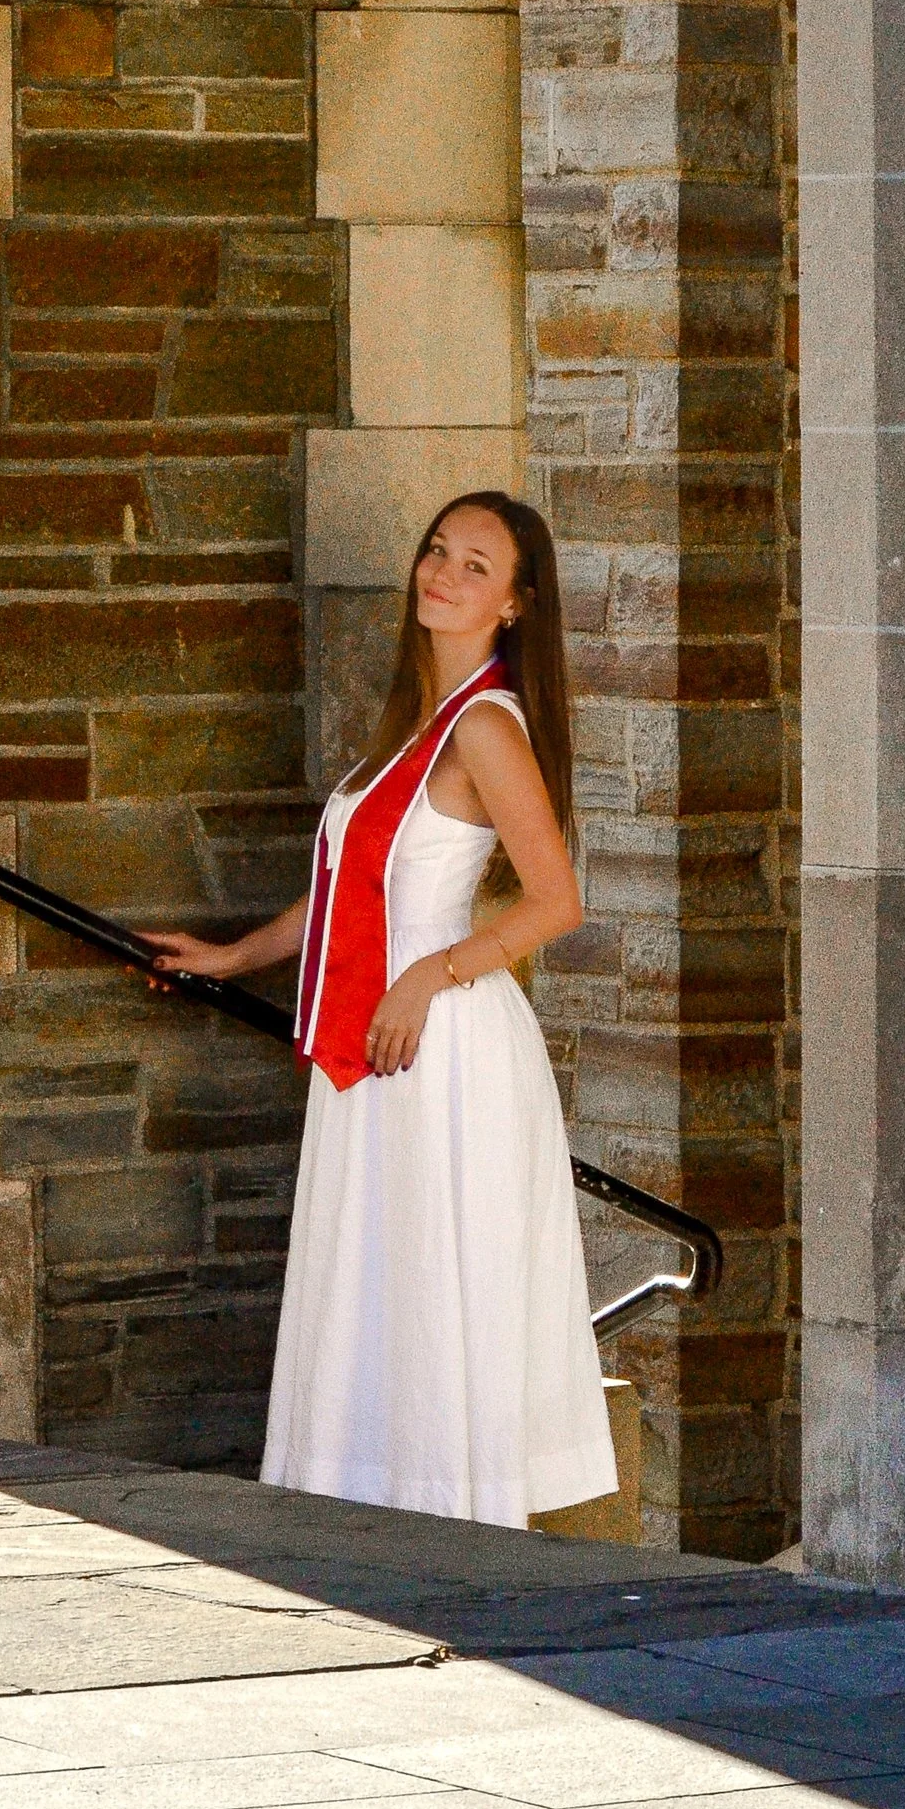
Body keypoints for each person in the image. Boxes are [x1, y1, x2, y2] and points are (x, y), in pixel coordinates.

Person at [147, 491, 618, 1529]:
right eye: (437, 551)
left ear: (514, 604)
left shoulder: (488, 725)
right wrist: (232, 955)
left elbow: (556, 900)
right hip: (380, 1037)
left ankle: (456, 1518)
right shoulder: (419, 723)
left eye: (476, 565)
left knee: (430, 1273)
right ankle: (373, 1512)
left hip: (439, 1044)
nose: (443, 573)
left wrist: (429, 975)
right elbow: (348, 895)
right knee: (379, 1273)